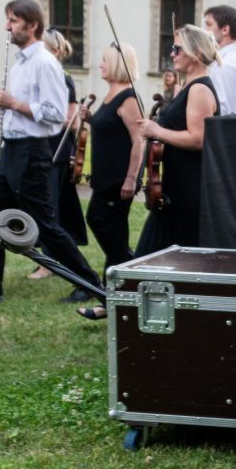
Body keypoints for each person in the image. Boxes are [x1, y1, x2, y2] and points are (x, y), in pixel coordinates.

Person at [0, 0, 102, 307]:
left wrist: (14, 105)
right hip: (9, 151)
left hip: (31, 152)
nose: (7, 26)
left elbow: (56, 112)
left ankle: (89, 282)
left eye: (13, 21)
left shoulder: (45, 63)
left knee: (46, 225)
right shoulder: (21, 62)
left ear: (31, 25)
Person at [134, 24, 220, 255]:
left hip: (187, 188)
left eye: (177, 49)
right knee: (153, 255)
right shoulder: (190, 87)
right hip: (174, 186)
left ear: (197, 54)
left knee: (157, 257)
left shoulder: (199, 89)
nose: (172, 54)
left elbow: (198, 139)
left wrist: (156, 130)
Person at [77, 42, 145, 321]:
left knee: (101, 223)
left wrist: (131, 178)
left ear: (118, 63)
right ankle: (115, 298)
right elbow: (110, 130)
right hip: (105, 178)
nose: (100, 64)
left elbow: (139, 139)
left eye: (104, 60)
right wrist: (90, 119)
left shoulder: (128, 97)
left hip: (119, 180)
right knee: (113, 236)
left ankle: (127, 280)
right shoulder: (110, 95)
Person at [27, 28, 89, 283]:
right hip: (43, 147)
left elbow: (71, 121)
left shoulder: (62, 77)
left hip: (57, 150)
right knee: (51, 205)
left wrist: (39, 113)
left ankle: (50, 263)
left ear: (53, 50)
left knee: (48, 207)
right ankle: (55, 258)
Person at [203, 5, 236, 115]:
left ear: (225, 30)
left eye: (209, 25)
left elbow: (225, 111)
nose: (205, 30)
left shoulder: (226, 64)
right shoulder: (231, 59)